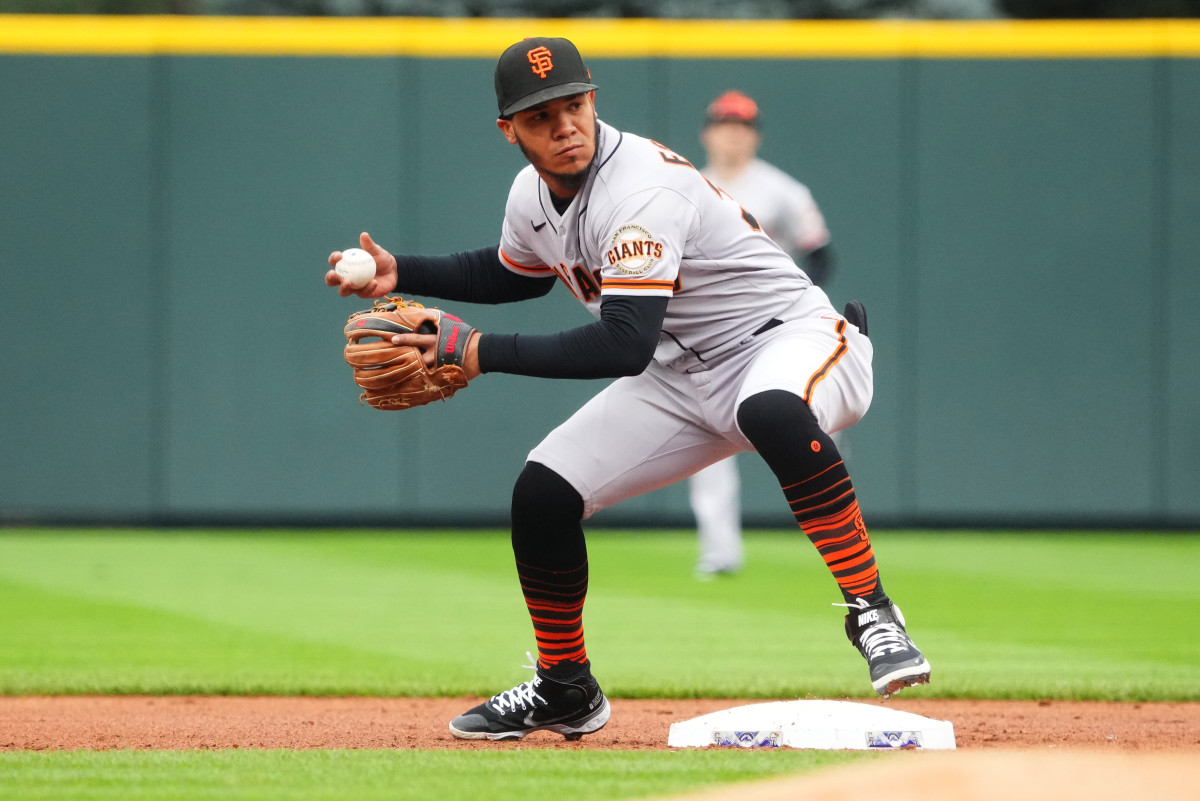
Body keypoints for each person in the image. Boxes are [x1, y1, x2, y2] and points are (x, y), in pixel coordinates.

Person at [324, 36, 930, 742]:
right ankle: (565, 685)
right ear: (509, 131)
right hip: (681, 375)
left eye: (574, 104)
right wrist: (406, 272)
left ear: (593, 98)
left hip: (791, 339)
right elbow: (514, 272)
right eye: (541, 116)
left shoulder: (640, 186)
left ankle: (872, 609)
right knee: (544, 491)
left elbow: (622, 343)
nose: (565, 126)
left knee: (767, 408)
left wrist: (478, 351)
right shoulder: (531, 192)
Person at [688, 90, 836, 579]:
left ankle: (839, 535)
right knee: (707, 440)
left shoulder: (782, 190)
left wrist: (793, 300)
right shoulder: (686, 185)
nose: (734, 134)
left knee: (809, 429)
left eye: (744, 127)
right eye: (725, 125)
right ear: (709, 132)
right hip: (712, 335)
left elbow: (820, 253)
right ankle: (720, 552)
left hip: (781, 329)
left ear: (755, 135)